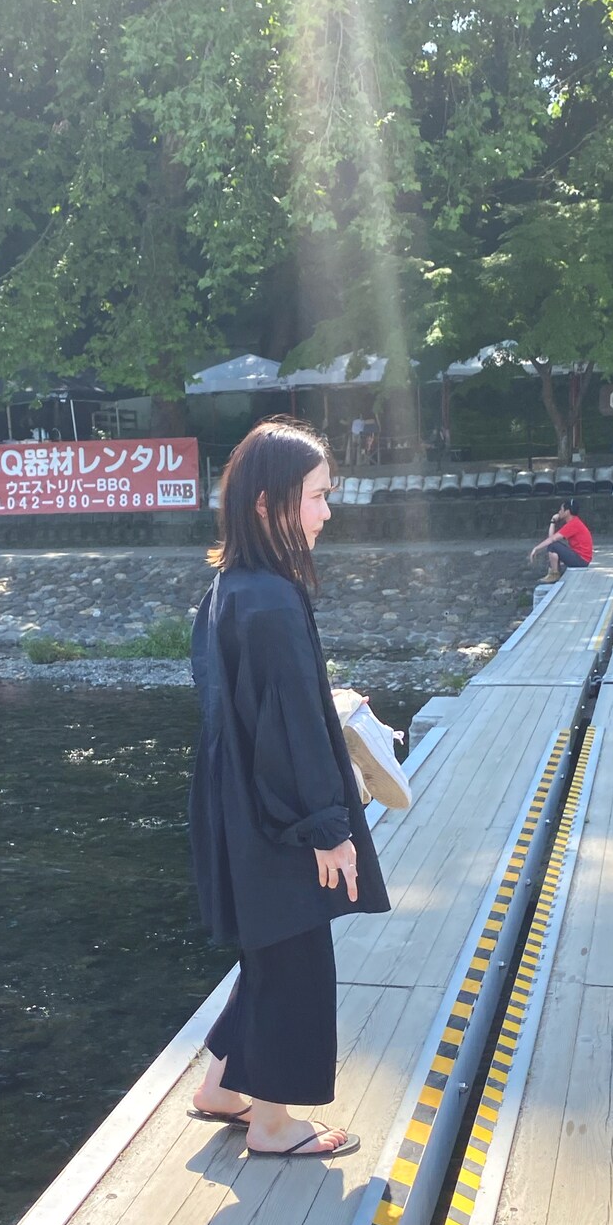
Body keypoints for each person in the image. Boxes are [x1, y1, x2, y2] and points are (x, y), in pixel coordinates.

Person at [188, 417, 390, 1159]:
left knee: (269, 947)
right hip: (276, 813)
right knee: (296, 955)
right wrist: (328, 829)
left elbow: (254, 708)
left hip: (236, 802)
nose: (326, 512)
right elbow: (290, 732)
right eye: (316, 496)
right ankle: (273, 1124)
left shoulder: (232, 588)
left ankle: (221, 1087)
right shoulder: (272, 601)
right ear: (269, 503)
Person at [529, 497, 593, 583]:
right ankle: (554, 572)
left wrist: (536, 548)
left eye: (561, 510)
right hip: (582, 560)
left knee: (553, 546)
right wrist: (553, 521)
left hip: (581, 561)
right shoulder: (574, 522)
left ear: (567, 512)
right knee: (553, 545)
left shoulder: (573, 524)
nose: (559, 512)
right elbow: (551, 538)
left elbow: (552, 539)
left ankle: (554, 574)